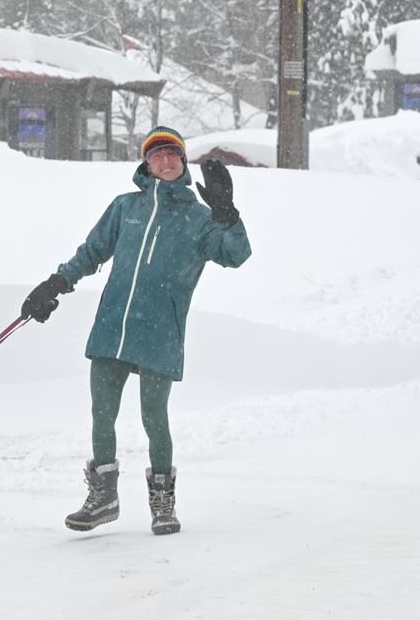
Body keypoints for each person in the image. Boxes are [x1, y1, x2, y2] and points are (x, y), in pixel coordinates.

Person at [20, 126, 251, 535]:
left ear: (182, 162)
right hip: (113, 323)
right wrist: (54, 284)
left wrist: (228, 215)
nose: (165, 160)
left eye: (172, 154)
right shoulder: (125, 207)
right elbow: (91, 253)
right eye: (156, 154)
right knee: (101, 412)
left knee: (154, 418)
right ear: (145, 163)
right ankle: (104, 496)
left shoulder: (199, 219)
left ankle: (163, 502)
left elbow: (236, 256)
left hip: (160, 331)